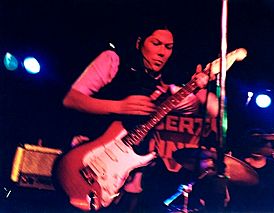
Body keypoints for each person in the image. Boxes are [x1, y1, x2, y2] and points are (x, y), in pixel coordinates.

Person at [62, 19, 220, 212]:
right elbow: (71, 99)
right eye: (156, 43)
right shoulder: (113, 60)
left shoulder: (167, 88)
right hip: (88, 159)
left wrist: (201, 85)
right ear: (139, 43)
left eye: (168, 47)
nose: (162, 52)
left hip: (126, 176)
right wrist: (118, 107)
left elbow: (215, 110)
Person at [228, 129, 274, 212]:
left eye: (261, 143)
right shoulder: (235, 166)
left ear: (269, 145)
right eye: (253, 143)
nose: (258, 147)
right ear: (247, 145)